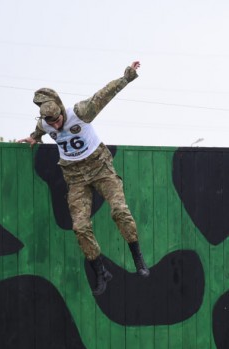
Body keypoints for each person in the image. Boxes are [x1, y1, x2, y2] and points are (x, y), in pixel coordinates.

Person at [18, 61, 149, 295]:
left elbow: (105, 94)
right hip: (75, 177)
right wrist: (33, 137)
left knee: (119, 211)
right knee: (80, 226)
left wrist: (127, 76)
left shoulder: (80, 112)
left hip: (101, 168)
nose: (56, 125)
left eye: (58, 119)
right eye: (51, 123)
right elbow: (39, 131)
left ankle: (138, 258)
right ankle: (100, 271)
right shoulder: (45, 125)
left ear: (61, 110)